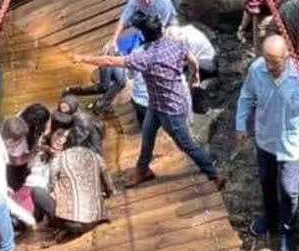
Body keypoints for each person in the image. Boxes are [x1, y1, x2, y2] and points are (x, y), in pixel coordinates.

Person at [75, 14, 225, 190]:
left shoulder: (145, 56)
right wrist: (195, 73)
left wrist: (83, 58)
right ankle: (143, 170)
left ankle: (214, 173)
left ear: (143, 35)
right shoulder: (175, 42)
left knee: (186, 143)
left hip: (170, 108)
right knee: (147, 134)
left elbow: (109, 61)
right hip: (159, 102)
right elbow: (191, 57)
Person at [235, 36, 299, 251]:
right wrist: (240, 123)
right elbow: (246, 96)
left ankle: (287, 232)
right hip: (265, 139)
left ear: (287, 56)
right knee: (266, 180)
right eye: (266, 59)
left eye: (274, 62)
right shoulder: (257, 69)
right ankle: (271, 218)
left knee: (289, 189)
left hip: (292, 143)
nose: (269, 66)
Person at [44, 143, 117, 238]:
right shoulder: (96, 156)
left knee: (37, 192)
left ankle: (58, 224)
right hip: (97, 218)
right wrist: (108, 193)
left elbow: (51, 187)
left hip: (73, 224)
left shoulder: (58, 161)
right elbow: (110, 188)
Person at [108, 0, 178, 50]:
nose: (146, 2)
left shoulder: (163, 3)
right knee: (134, 19)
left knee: (171, 35)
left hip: (167, 20)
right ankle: (147, 37)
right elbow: (123, 20)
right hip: (149, 17)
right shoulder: (135, 0)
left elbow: (161, 27)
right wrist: (113, 40)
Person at [26, 128, 70, 223]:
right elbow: (29, 167)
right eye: (59, 134)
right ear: (52, 135)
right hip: (27, 189)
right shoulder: (40, 151)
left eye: (65, 137)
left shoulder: (66, 157)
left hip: (44, 194)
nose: (60, 139)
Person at [1, 116, 31, 190]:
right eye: (20, 141)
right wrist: (31, 157)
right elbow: (17, 162)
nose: (23, 140)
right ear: (10, 141)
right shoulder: (11, 149)